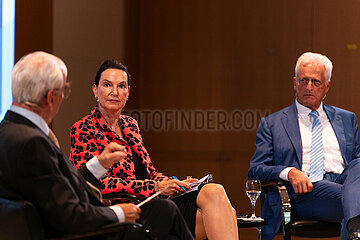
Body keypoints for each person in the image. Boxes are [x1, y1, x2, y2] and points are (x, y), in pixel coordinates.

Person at [0, 51, 194, 240]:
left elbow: (64, 186)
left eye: (122, 86)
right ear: (51, 97)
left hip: (75, 221)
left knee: (170, 217)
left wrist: (99, 164)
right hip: (81, 231)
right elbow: (68, 214)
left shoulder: (7, 131)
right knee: (166, 212)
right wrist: (117, 213)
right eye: (64, 92)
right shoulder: (34, 143)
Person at [69, 59, 239, 240]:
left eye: (122, 86)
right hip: (121, 212)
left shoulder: (130, 125)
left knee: (214, 192)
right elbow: (92, 184)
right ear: (95, 90)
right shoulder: (84, 128)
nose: (115, 92)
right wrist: (155, 187)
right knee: (220, 216)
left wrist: (175, 184)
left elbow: (150, 172)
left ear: (128, 93)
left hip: (150, 203)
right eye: (107, 85)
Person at [248, 52, 360, 240]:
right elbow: (255, 170)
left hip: (344, 184)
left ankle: (355, 230)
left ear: (327, 86)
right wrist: (289, 172)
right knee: (355, 202)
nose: (308, 87)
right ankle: (355, 228)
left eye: (316, 82)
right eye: (303, 81)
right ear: (294, 83)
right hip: (305, 191)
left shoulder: (347, 119)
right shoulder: (273, 123)